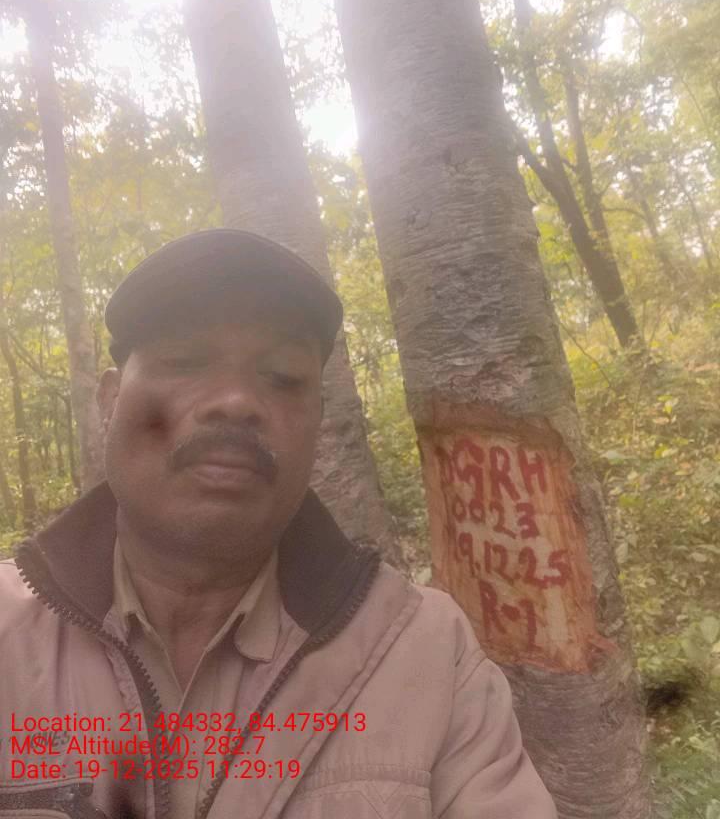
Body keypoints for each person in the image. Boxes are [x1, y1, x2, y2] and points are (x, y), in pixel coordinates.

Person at [0, 229, 557, 819]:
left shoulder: (426, 650)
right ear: (110, 400)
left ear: (317, 419)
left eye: (285, 377)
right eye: (184, 361)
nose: (236, 401)